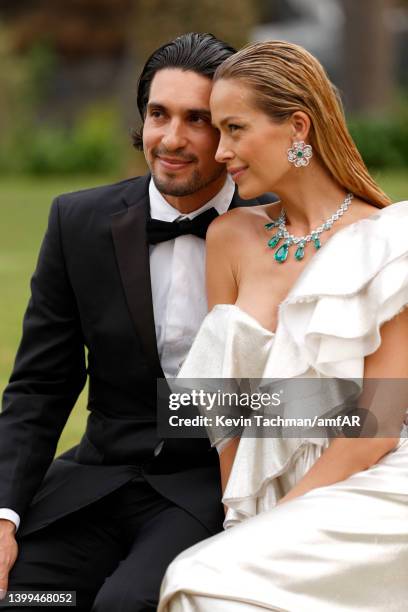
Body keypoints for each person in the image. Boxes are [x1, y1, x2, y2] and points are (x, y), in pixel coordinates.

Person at [0, 33, 275, 611]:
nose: (171, 140)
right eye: (158, 114)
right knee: (29, 599)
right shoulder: (77, 221)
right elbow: (40, 386)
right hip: (96, 478)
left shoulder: (280, 231)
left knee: (124, 605)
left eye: (197, 119)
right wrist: (3, 515)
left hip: (209, 486)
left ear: (230, 132)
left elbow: (335, 396)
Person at [158, 40, 408, 611]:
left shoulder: (393, 242)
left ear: (297, 127)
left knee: (197, 581)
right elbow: (229, 412)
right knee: (208, 576)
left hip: (379, 483)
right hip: (266, 497)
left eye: (234, 129)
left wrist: (269, 532)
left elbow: (373, 433)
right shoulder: (230, 239)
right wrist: (240, 520)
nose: (219, 151)